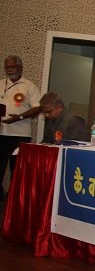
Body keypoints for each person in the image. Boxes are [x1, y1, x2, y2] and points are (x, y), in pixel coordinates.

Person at [0, 55, 41, 202]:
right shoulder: (1, 83)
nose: (10, 70)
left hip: (19, 135)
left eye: (13, 67)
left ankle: (13, 201)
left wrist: (19, 117)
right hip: (1, 134)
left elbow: (38, 107)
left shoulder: (29, 86)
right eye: (7, 67)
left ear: (21, 68)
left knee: (16, 170)